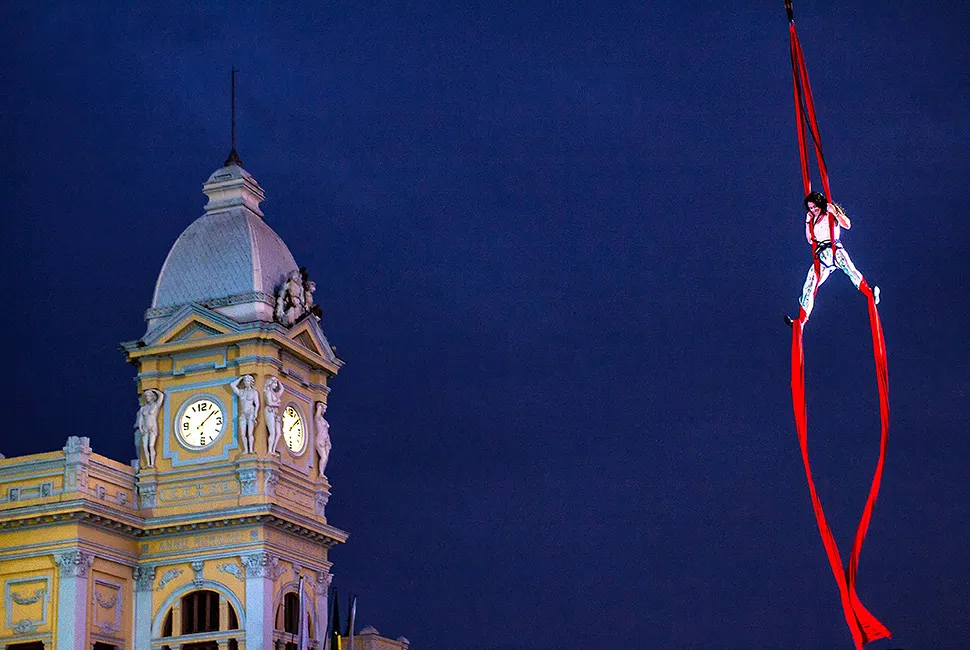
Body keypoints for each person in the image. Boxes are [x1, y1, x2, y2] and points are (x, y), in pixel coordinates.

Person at [787, 191, 880, 326]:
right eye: (811, 208)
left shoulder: (829, 212)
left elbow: (847, 225)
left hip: (835, 248)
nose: (813, 210)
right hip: (822, 255)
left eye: (815, 207)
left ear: (820, 204)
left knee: (851, 270)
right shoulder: (812, 219)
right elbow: (809, 240)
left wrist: (835, 212)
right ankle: (802, 320)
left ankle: (871, 293)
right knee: (810, 284)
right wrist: (807, 222)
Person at [135, 389, 164, 468]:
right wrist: (141, 428)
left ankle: (152, 463)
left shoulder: (155, 405)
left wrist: (153, 390)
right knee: (145, 447)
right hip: (145, 429)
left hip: (152, 428)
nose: (147, 397)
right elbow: (141, 420)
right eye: (146, 396)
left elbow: (161, 395)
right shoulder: (143, 408)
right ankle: (148, 463)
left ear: (152, 397)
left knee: (151, 446)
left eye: (148, 396)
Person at [231, 375, 259, 454]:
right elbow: (232, 385)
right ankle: (246, 450)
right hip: (243, 414)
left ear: (251, 382)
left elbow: (257, 404)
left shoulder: (254, 392)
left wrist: (255, 414)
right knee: (243, 434)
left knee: (250, 433)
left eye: (247, 381)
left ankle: (251, 450)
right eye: (245, 381)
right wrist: (241, 378)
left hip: (251, 413)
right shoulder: (241, 392)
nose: (246, 382)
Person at [264, 376, 285, 454]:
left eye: (276, 383)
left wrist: (277, 380)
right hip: (270, 412)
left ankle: (273, 449)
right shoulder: (268, 392)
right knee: (272, 432)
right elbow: (269, 403)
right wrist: (277, 404)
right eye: (274, 383)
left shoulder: (275, 394)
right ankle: (270, 450)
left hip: (275, 414)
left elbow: (282, 389)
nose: (276, 385)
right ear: (270, 383)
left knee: (278, 434)